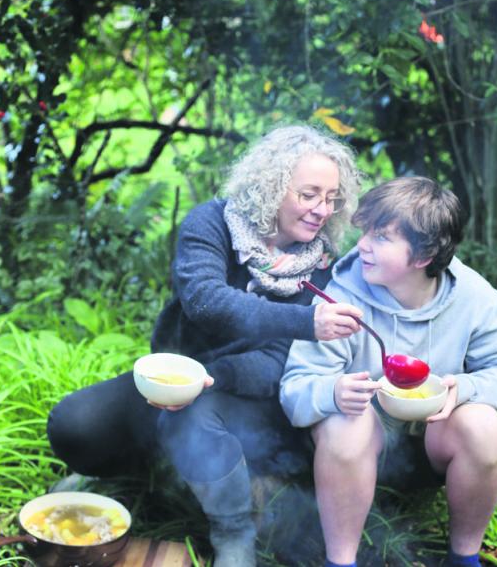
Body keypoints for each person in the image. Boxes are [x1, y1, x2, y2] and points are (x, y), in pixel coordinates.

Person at [47, 125, 364, 567]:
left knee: (193, 420)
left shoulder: (322, 267)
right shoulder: (212, 223)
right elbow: (206, 302)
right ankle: (126, 477)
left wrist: (217, 380)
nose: (322, 210)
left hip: (249, 399)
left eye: (331, 198)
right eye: (309, 194)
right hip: (174, 374)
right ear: (272, 187)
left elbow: (279, 361)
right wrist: (304, 319)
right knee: (75, 424)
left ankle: (233, 530)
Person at [280, 176, 497, 567]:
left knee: (485, 426)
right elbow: (295, 386)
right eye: (365, 232)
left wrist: (459, 388)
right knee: (348, 421)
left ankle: (464, 558)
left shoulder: (479, 301)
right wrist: (333, 392)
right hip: (356, 454)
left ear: (423, 255)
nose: (362, 245)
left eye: (381, 237)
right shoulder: (340, 299)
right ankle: (340, 561)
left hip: (436, 448)